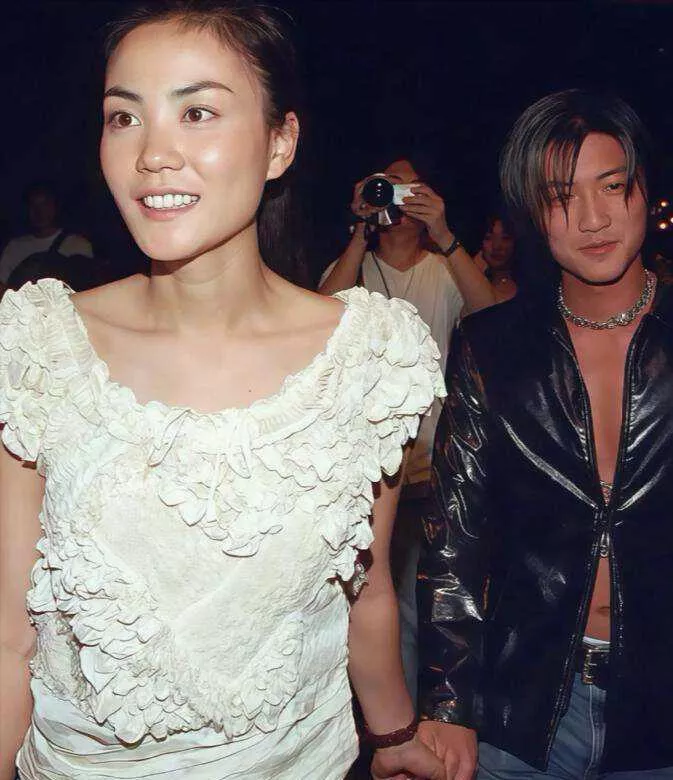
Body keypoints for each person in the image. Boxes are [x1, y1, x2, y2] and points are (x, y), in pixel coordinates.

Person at [0, 4, 448, 779]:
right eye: (123, 117)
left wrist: (395, 734)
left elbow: (367, 590)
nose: (152, 154)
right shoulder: (40, 347)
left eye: (197, 111)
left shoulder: (366, 359)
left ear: (280, 143)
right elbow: (10, 631)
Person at [417, 89, 673, 779]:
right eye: (561, 197)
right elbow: (453, 539)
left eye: (611, 187)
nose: (592, 218)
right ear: (532, 212)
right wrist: (447, 703)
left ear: (643, 190)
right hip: (521, 706)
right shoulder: (491, 347)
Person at [319, 160, 495, 707]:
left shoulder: (443, 270)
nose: (395, 199)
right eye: (385, 188)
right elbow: (318, 319)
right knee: (361, 597)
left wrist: (445, 233)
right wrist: (359, 231)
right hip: (358, 470)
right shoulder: (355, 265)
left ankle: (416, 715)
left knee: (421, 601)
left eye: (408, 190)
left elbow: (493, 317)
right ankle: (370, 709)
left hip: (431, 466)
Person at [0, 182, 94, 288]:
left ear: (56, 207)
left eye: (45, 204)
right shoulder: (15, 247)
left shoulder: (78, 244)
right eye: (33, 205)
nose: (39, 211)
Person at [473, 214, 518, 303]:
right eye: (488, 238)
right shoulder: (467, 276)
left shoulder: (531, 283)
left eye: (505, 238)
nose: (496, 246)